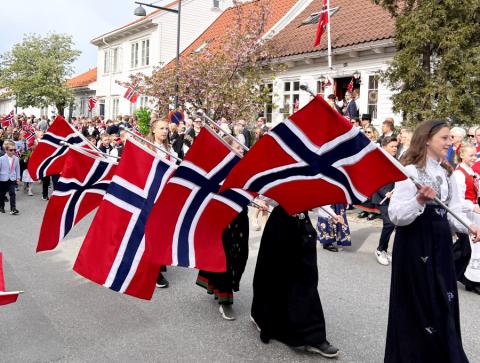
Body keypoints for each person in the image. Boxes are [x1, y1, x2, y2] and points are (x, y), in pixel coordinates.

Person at [385, 119, 479, 363]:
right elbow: (396, 215)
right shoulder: (410, 171)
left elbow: (451, 212)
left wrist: (470, 227)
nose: (450, 143)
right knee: (418, 307)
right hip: (414, 247)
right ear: (427, 139)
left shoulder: (447, 171)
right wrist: (418, 200)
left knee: (443, 303)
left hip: (441, 247)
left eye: (450, 138)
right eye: (445, 138)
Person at [251, 206, 339, 358]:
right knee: (272, 275)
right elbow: (266, 193)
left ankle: (314, 336)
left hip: (302, 225)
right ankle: (262, 315)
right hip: (279, 225)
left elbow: (314, 197)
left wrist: (331, 214)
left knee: (306, 279)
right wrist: (261, 200)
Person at [196, 140, 248, 320]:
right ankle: (225, 300)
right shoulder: (219, 169)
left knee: (240, 256)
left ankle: (220, 287)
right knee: (225, 257)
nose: (240, 149)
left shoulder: (246, 166)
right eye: (237, 146)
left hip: (240, 218)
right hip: (222, 219)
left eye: (242, 147)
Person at [452, 144, 480, 295]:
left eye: (475, 155)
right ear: (462, 155)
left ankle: (471, 280)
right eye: (471, 155)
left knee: (472, 248)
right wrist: (472, 206)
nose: (474, 158)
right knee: (467, 248)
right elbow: (457, 199)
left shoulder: (472, 172)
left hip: (474, 213)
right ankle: (469, 280)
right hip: (464, 214)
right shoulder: (459, 174)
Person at [372, 136, 398, 265]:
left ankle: (384, 249)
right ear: (384, 147)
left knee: (392, 224)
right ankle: (379, 249)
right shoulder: (379, 160)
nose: (395, 148)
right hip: (382, 197)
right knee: (389, 223)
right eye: (392, 146)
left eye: (396, 146)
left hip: (394, 196)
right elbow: (375, 179)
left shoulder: (396, 160)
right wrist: (385, 193)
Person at [0, 141, 21, 215]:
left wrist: (18, 178)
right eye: (11, 150)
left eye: (14, 150)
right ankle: (1, 206)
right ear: (6, 150)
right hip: (3, 178)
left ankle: (13, 208)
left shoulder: (16, 158)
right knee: (2, 194)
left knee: (12, 193)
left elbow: (17, 169)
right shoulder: (1, 159)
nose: (13, 151)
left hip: (12, 178)